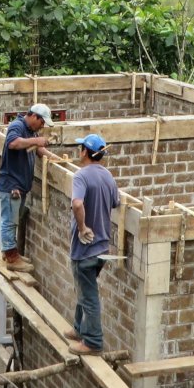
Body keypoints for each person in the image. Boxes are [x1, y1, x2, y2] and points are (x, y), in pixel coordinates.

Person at [66, 134, 119, 356]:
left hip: (85, 248)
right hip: (102, 248)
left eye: (81, 148)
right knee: (84, 288)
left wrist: (82, 228)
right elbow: (116, 202)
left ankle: (93, 341)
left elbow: (77, 203)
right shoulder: (108, 177)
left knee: (89, 295)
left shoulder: (81, 176)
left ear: (85, 152)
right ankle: (79, 329)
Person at [0, 103, 57, 272]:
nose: (43, 126)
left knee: (14, 220)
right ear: (34, 117)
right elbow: (13, 143)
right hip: (11, 186)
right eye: (42, 122)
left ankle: (9, 252)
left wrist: (53, 158)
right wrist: (36, 140)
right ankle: (12, 258)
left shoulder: (30, 131)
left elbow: (38, 149)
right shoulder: (17, 126)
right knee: (9, 221)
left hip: (20, 186)